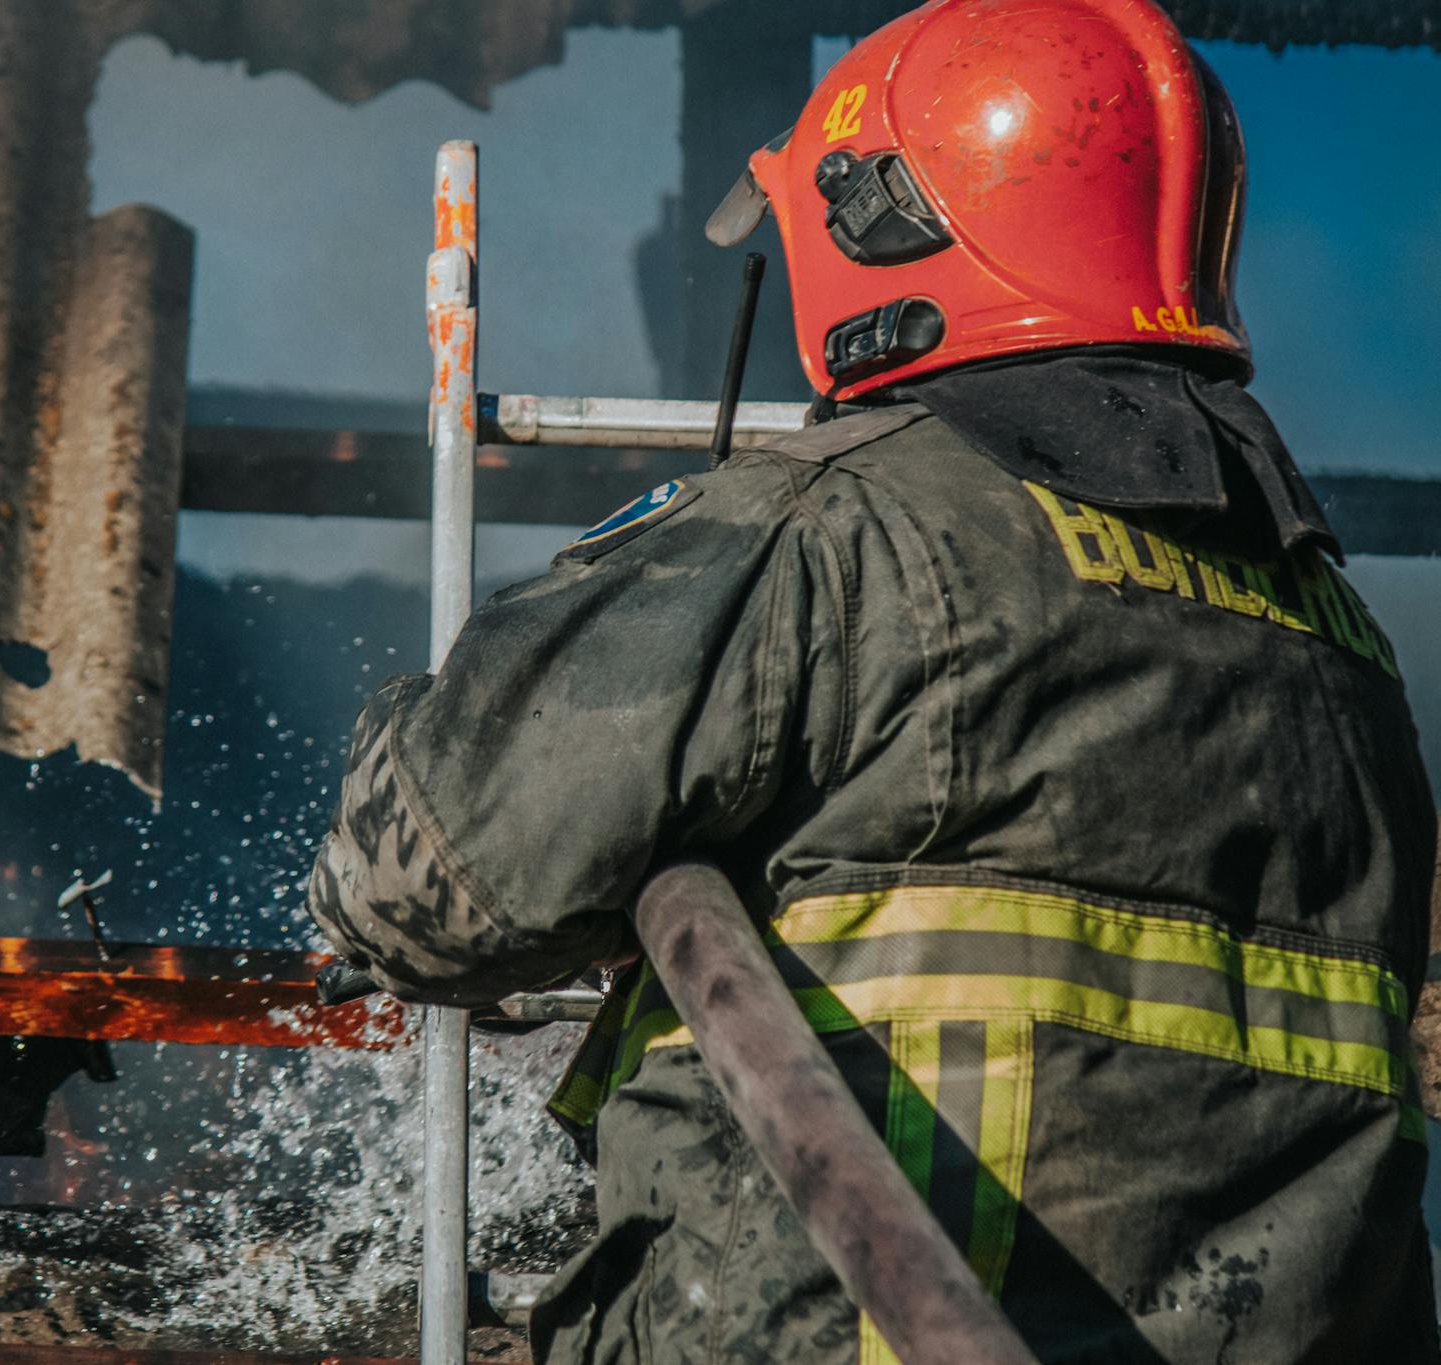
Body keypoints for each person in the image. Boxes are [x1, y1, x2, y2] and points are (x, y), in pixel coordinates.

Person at [306, 0, 1439, 1358]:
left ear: (878, 225)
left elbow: (422, 879)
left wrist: (424, 730)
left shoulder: (841, 535)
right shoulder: (1342, 643)